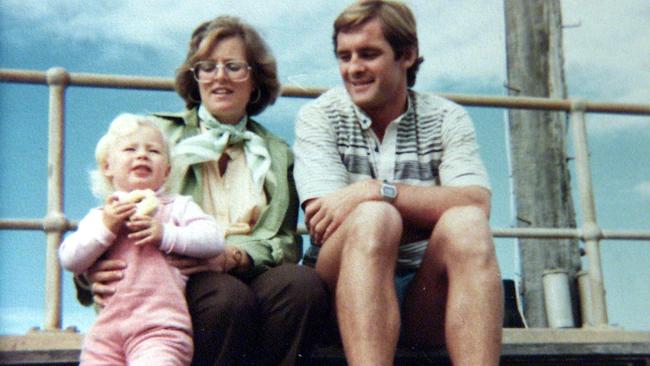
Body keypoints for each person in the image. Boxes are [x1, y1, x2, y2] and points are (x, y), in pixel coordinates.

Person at [75, 16, 329, 366]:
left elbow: (285, 242)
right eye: (207, 67)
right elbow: (111, 207)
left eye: (234, 66)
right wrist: (89, 274)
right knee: (226, 297)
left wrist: (235, 256)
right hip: (176, 276)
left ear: (255, 78)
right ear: (195, 78)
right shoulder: (158, 134)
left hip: (250, 270)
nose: (219, 76)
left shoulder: (277, 152)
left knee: (301, 286)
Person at [293, 1, 503, 365]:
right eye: (345, 56)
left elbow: (475, 204)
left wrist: (376, 190)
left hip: (424, 293)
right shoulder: (319, 116)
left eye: (369, 54)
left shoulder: (446, 118)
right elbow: (325, 223)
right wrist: (423, 213)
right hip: (340, 292)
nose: (353, 68)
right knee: (375, 219)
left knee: (466, 224)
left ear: (406, 55)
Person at [60, 114, 224, 365]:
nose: (142, 155)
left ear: (167, 171)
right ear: (107, 167)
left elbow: (213, 240)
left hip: (160, 329)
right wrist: (107, 227)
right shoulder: (100, 217)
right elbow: (70, 258)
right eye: (130, 149)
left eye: (154, 150)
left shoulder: (177, 207)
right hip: (105, 334)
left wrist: (166, 234)